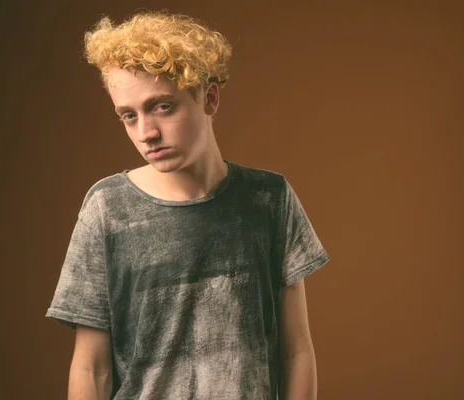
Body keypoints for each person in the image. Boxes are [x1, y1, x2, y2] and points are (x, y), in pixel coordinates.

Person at [46, 10, 330, 400]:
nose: (146, 133)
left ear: (209, 98)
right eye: (129, 116)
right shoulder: (107, 208)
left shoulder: (270, 199)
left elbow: (296, 350)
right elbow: (91, 368)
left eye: (162, 106)